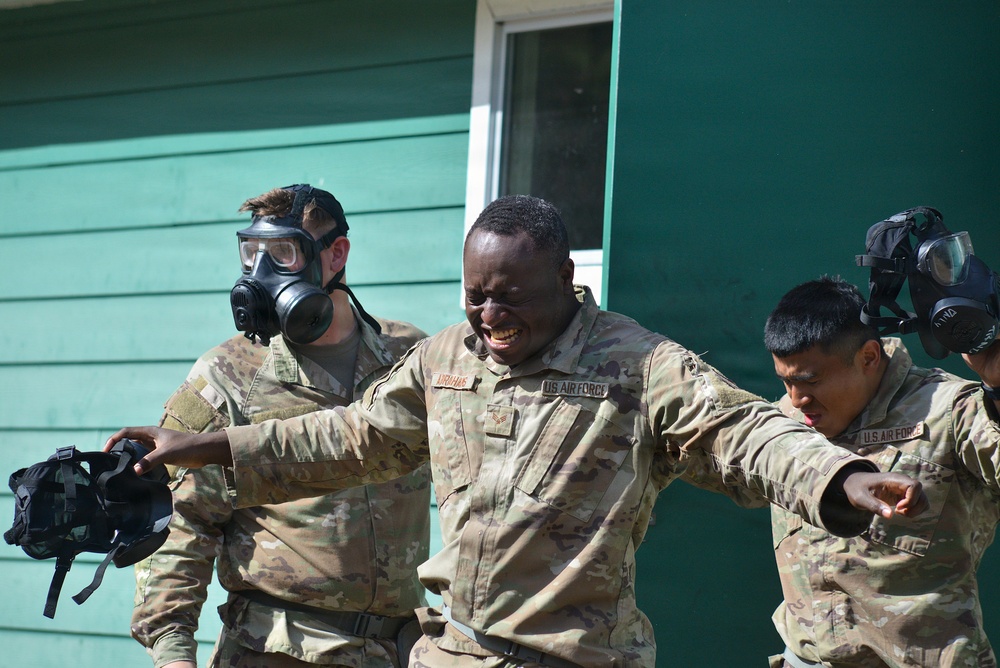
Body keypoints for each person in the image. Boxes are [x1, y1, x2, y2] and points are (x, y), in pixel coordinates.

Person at [110, 195, 927, 668]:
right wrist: (206, 446)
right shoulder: (443, 359)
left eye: (510, 297)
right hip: (452, 654)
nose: (490, 317)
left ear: (566, 282)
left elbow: (742, 431)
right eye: (475, 295)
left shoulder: (634, 364)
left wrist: (838, 477)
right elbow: (349, 437)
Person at [130, 184, 431, 668]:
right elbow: (179, 521)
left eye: (283, 254)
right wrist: (173, 652)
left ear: (337, 254)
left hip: (398, 650)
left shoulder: (410, 355)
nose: (260, 274)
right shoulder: (226, 373)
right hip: (278, 650)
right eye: (251, 255)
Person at [763, 276, 1000, 668]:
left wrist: (997, 387)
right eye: (785, 382)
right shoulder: (784, 420)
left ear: (869, 358)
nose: (796, 399)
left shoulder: (950, 413)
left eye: (809, 381)